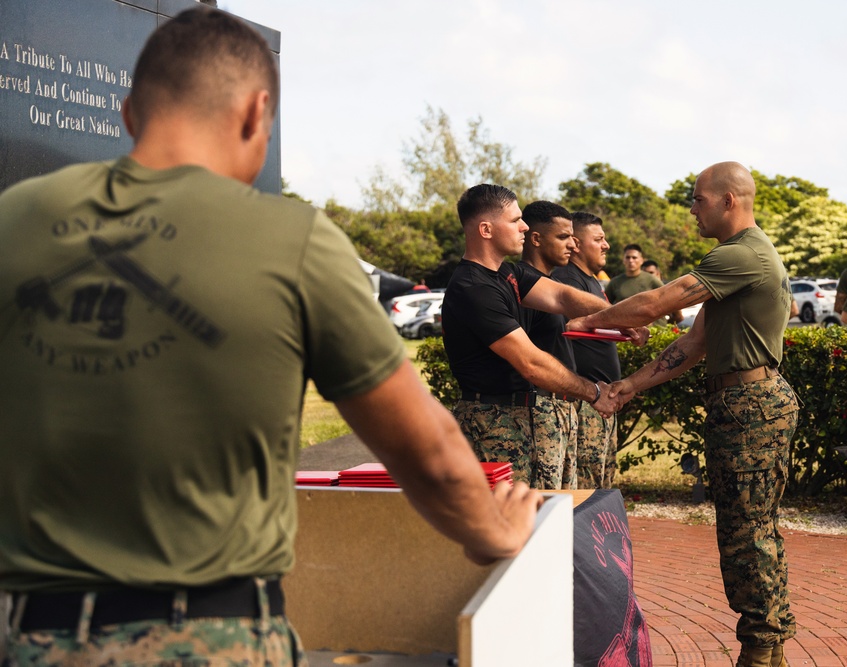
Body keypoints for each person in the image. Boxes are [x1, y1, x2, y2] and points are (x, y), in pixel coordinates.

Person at [0, 9, 542, 666]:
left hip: (28, 638)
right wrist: (494, 529)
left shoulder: (15, 220)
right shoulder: (296, 241)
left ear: (127, 113)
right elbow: (425, 449)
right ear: (258, 114)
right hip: (214, 636)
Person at [566, 161, 798, 667]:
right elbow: (694, 342)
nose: (692, 208)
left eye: (698, 199)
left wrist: (588, 320)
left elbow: (660, 300)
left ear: (729, 201)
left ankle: (760, 651)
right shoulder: (739, 258)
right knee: (752, 527)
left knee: (746, 533)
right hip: (745, 402)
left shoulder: (743, 254)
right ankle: (770, 645)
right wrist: (628, 385)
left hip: (750, 405)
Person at [441, 184, 642, 488]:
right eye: (514, 220)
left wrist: (617, 319)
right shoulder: (473, 287)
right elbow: (531, 363)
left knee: (546, 519)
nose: (523, 226)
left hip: (520, 418)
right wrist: (594, 393)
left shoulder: (506, 274)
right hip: (492, 424)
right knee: (511, 527)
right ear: (485, 229)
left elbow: (562, 297)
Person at [551, 212, 621, 489]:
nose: (606, 245)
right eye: (599, 239)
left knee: (602, 483)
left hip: (602, 398)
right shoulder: (567, 279)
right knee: (586, 487)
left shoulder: (591, 281)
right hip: (584, 399)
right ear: (577, 244)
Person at [517, 200, 580, 489]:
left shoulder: (548, 285)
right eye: (563, 237)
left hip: (562, 407)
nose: (573, 245)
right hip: (539, 410)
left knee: (566, 503)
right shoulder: (522, 287)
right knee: (546, 503)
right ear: (536, 238)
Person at [606, 244, 669, 326]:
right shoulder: (615, 282)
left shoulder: (652, 280)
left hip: (654, 333)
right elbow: (604, 307)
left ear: (641, 260)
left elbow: (670, 300)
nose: (631, 261)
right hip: (625, 331)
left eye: (634, 257)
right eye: (628, 257)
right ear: (623, 260)